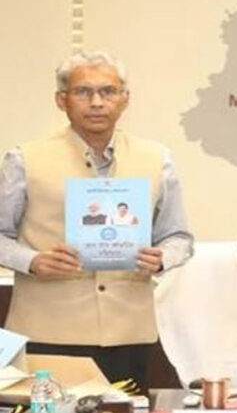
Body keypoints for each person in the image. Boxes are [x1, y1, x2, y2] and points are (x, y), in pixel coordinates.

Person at [0, 51, 193, 389]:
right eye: (83, 92)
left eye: (108, 91)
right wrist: (33, 261)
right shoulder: (25, 159)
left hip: (129, 333)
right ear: (61, 100)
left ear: (125, 99)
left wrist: (162, 258)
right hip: (49, 331)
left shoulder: (156, 158)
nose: (97, 102)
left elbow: (179, 237)